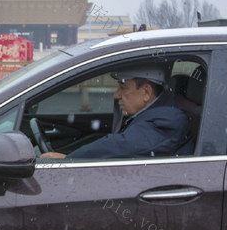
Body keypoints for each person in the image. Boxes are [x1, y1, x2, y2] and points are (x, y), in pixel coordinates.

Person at [40, 65, 189, 160]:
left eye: (123, 88)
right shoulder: (158, 113)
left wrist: (70, 160)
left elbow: (122, 145)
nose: (116, 95)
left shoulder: (169, 121)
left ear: (146, 92)